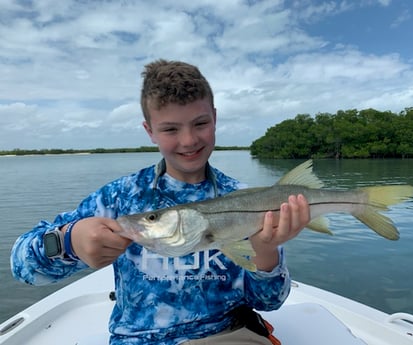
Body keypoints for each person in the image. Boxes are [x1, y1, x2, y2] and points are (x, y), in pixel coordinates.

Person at [10, 59, 310, 344]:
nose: (189, 140)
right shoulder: (120, 198)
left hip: (227, 334)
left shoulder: (248, 199)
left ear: (215, 119)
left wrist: (266, 251)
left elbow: (269, 302)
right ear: (149, 131)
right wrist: (69, 241)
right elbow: (24, 269)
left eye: (200, 123)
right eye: (170, 129)